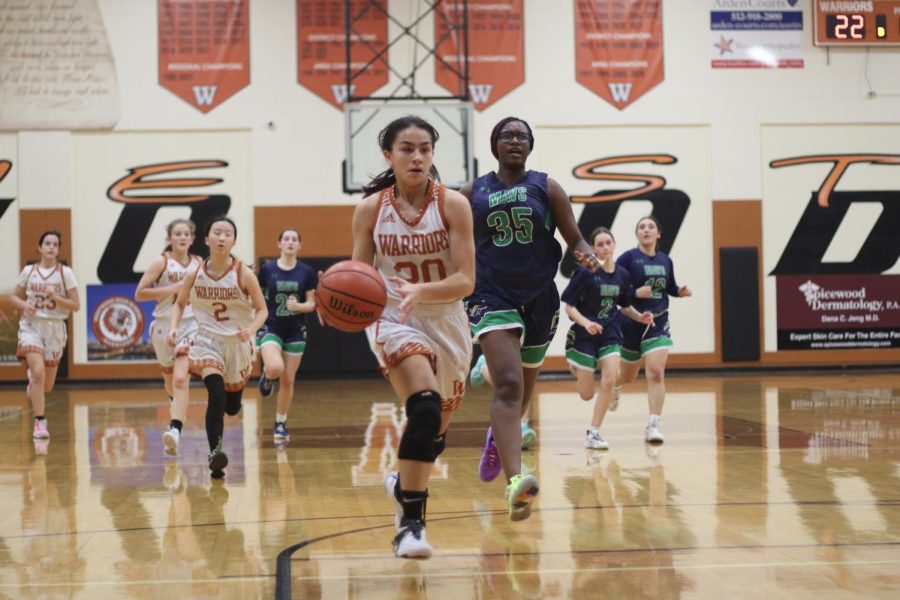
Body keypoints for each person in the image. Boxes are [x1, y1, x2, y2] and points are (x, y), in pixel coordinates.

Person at [461, 116, 600, 521]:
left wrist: (584, 250)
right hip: (491, 294)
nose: (515, 141)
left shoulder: (547, 186)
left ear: (531, 145)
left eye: (522, 136)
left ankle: (497, 437)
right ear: (494, 145)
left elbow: (573, 235)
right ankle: (515, 482)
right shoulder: (472, 191)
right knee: (508, 383)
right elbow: (446, 232)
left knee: (522, 392)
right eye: (507, 135)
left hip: (540, 297)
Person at [350, 115, 475, 558]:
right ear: (389, 155)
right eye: (407, 148)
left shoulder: (454, 204)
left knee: (435, 433)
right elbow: (360, 278)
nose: (417, 156)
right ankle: (410, 527)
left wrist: (425, 289)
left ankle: (401, 483)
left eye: (425, 148)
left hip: (446, 318)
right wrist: (337, 301)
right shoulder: (370, 210)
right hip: (392, 317)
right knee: (422, 410)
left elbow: (466, 280)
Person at [168, 215, 267, 478]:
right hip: (207, 341)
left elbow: (262, 310)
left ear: (234, 241)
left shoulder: (244, 273)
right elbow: (179, 303)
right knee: (216, 392)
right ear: (206, 239)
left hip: (238, 343)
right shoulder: (195, 273)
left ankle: (229, 409)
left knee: (231, 406)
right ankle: (215, 454)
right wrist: (173, 327)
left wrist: (252, 328)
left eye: (228, 234)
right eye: (217, 233)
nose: (222, 238)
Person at [561, 227, 653, 450]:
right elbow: (569, 308)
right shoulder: (585, 272)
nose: (605, 248)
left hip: (610, 333)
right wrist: (587, 323)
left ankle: (594, 433)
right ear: (593, 248)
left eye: (608, 243)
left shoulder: (622, 274)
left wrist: (641, 317)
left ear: (614, 245)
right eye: (600, 244)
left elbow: (624, 305)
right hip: (585, 335)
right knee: (586, 394)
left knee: (610, 379)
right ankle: (578, 368)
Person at [613, 215, 691, 443]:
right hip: (631, 322)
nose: (646, 230)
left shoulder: (666, 260)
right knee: (627, 376)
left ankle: (653, 424)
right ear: (636, 234)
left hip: (657, 321)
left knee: (656, 372)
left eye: (651, 227)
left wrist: (680, 291)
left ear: (658, 234)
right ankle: (616, 386)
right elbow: (615, 290)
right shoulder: (627, 259)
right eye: (641, 227)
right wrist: (635, 294)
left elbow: (670, 287)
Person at [134, 219, 201, 456]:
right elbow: (140, 293)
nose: (182, 237)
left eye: (186, 234)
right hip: (163, 325)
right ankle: (175, 410)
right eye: (178, 234)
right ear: (169, 239)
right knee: (170, 382)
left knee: (182, 378)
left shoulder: (199, 264)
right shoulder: (161, 262)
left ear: (192, 239)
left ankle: (175, 429)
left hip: (190, 324)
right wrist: (171, 290)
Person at [11, 231, 80, 443]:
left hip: (55, 329)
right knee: (38, 372)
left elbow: (76, 306)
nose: (51, 247)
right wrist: (24, 305)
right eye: (47, 243)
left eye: (55, 244)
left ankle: (34, 385)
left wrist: (55, 297)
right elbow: (14, 297)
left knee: (46, 385)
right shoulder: (28, 271)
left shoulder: (65, 273)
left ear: (59, 249)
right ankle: (40, 421)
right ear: (39, 248)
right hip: (31, 327)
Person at [256, 229, 317, 442]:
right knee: (275, 368)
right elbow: (256, 296)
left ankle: (280, 422)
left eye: (294, 239)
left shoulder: (306, 272)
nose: (290, 242)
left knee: (288, 380)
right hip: (271, 325)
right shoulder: (267, 269)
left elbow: (312, 303)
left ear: (299, 245)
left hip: (295, 328)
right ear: (279, 244)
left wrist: (299, 305)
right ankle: (267, 376)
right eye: (286, 239)